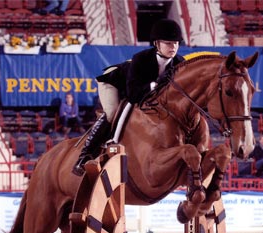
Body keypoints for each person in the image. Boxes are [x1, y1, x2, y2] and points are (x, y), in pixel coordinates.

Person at [72, 18, 185, 176]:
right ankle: (85, 156)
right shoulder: (141, 59)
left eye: (176, 43)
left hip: (143, 90)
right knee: (112, 113)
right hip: (115, 83)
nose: (173, 47)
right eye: (168, 43)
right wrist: (155, 85)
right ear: (157, 43)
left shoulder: (180, 63)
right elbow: (132, 95)